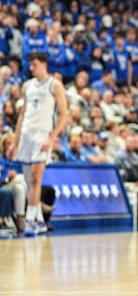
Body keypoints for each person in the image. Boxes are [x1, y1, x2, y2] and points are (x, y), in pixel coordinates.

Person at [8, 52, 68, 235]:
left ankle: (31, 219)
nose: (31, 68)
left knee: (36, 177)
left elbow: (64, 115)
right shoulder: (27, 86)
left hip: (42, 136)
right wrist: (14, 142)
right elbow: (22, 116)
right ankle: (39, 220)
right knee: (28, 180)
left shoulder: (55, 85)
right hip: (26, 135)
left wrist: (51, 138)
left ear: (44, 64)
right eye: (30, 65)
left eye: (34, 64)